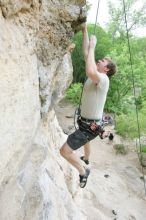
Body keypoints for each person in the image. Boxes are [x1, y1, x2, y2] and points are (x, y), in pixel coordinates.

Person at [60, 24, 117, 188]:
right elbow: (87, 54)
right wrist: (84, 31)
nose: (99, 60)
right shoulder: (98, 75)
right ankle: (86, 158)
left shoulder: (103, 79)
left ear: (106, 69)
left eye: (103, 61)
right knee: (87, 141)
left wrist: (93, 46)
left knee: (64, 151)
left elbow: (90, 70)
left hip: (89, 126)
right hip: (88, 123)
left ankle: (84, 171)